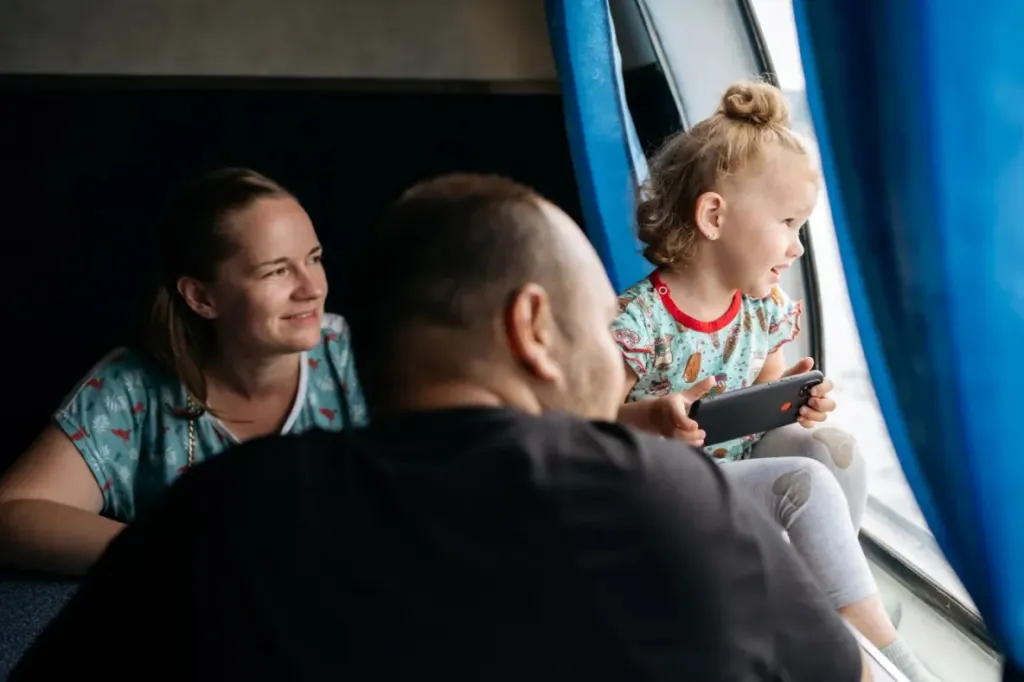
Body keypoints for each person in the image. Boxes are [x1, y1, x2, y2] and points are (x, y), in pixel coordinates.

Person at [10, 174, 871, 682]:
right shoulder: (681, 505)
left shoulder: (215, 515)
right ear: (533, 327)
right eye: (598, 322)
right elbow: (836, 672)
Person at [612, 80, 936, 682]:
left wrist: (791, 397)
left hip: (732, 479)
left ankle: (829, 603)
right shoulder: (641, 320)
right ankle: (890, 658)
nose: (796, 247)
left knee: (830, 453)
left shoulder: (762, 310)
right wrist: (652, 417)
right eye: (788, 223)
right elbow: (585, 424)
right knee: (803, 479)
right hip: (662, 495)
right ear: (714, 216)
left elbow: (756, 405)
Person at [0, 168, 367, 576]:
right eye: (276, 271)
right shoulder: (134, 387)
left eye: (313, 259)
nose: (312, 288)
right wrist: (190, 553)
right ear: (202, 298)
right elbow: (13, 515)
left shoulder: (360, 356)